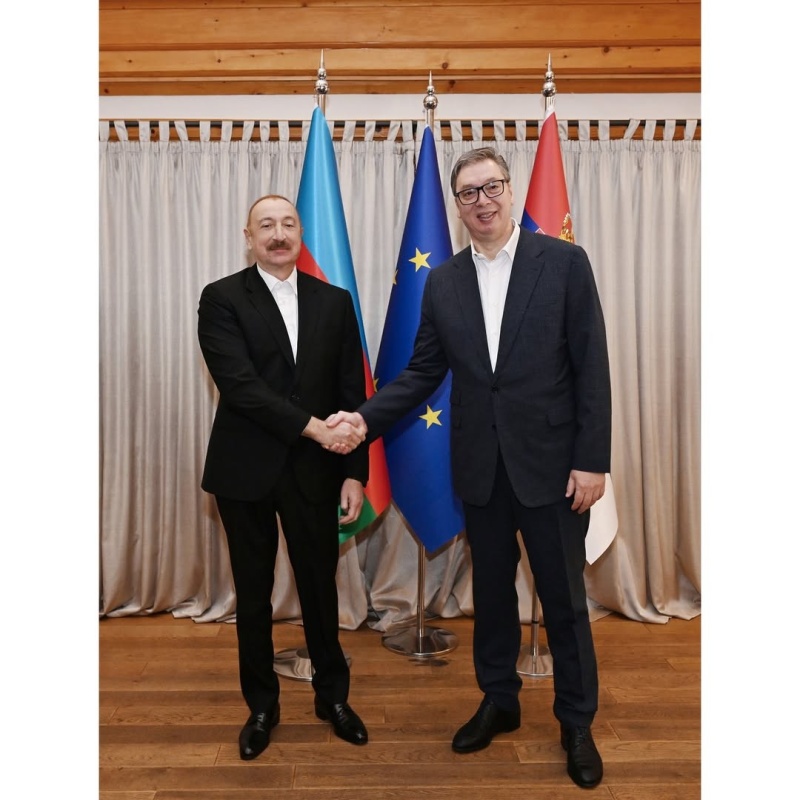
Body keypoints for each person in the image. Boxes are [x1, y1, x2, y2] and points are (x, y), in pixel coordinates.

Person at [327, 148, 611, 789]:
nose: (482, 201)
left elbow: (592, 365)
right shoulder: (444, 281)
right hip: (481, 468)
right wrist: (364, 420)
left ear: (510, 190)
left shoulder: (564, 262)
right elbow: (422, 372)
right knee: (492, 596)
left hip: (552, 467)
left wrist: (592, 461)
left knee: (564, 601)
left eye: (491, 187)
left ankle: (575, 721)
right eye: (468, 193)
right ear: (456, 206)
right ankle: (499, 701)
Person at [197, 194, 370, 761]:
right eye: (266, 225)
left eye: (288, 224)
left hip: (317, 474)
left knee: (320, 589)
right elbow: (240, 386)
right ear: (248, 237)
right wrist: (316, 429)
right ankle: (262, 707)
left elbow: (351, 390)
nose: (278, 233)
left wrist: (354, 473)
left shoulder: (335, 301)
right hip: (245, 470)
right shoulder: (221, 298)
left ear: (300, 235)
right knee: (253, 596)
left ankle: (333, 698)